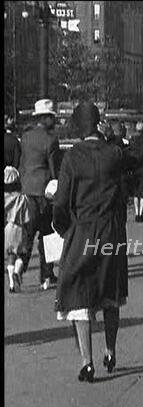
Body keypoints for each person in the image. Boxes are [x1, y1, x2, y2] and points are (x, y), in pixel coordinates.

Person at [53, 101, 131, 382]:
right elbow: (131, 161)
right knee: (111, 293)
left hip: (83, 229)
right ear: (98, 124)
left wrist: (63, 229)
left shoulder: (73, 157)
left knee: (79, 295)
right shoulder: (113, 153)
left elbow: (61, 202)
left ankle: (87, 361)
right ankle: (110, 350)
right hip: (111, 231)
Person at [18, 98, 61, 290]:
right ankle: (46, 274)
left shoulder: (26, 137)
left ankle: (20, 264)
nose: (54, 121)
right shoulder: (51, 140)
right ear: (45, 118)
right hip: (44, 191)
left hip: (27, 189)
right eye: (52, 117)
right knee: (47, 233)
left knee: (27, 232)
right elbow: (54, 169)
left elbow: (23, 162)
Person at [5, 166, 30, 293]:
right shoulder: (22, 198)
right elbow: (27, 218)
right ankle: (16, 272)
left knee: (10, 255)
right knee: (21, 254)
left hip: (8, 228)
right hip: (20, 228)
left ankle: (10, 283)